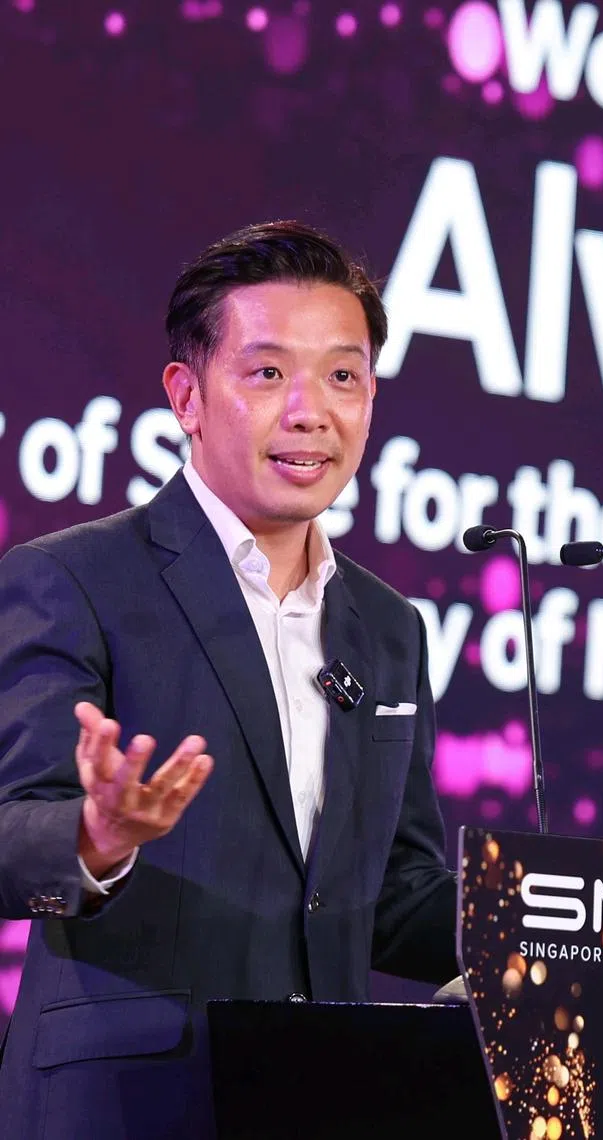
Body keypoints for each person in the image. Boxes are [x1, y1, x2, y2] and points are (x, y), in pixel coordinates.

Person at [0, 221, 459, 1139]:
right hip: (129, 1103)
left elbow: (395, 897)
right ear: (187, 395)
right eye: (268, 372)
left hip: (317, 1101)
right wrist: (96, 837)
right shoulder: (73, 578)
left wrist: (576, 918)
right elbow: (11, 834)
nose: (310, 411)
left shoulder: (389, 629)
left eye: (344, 376)